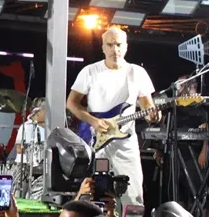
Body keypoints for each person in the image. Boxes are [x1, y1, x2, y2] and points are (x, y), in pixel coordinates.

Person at [67, 27, 160, 207]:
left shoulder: (136, 72)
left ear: (126, 47)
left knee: (133, 198)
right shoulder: (90, 71)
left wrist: (153, 116)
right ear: (103, 48)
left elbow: (148, 105)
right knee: (95, 195)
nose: (114, 49)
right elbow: (71, 103)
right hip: (97, 141)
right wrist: (93, 121)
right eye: (110, 45)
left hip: (126, 145)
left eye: (118, 45)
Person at [14, 97, 46, 199]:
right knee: (19, 196)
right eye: (45, 110)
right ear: (37, 112)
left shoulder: (46, 129)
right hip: (23, 166)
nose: (47, 114)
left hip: (40, 167)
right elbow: (18, 149)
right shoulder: (25, 127)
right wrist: (32, 148)